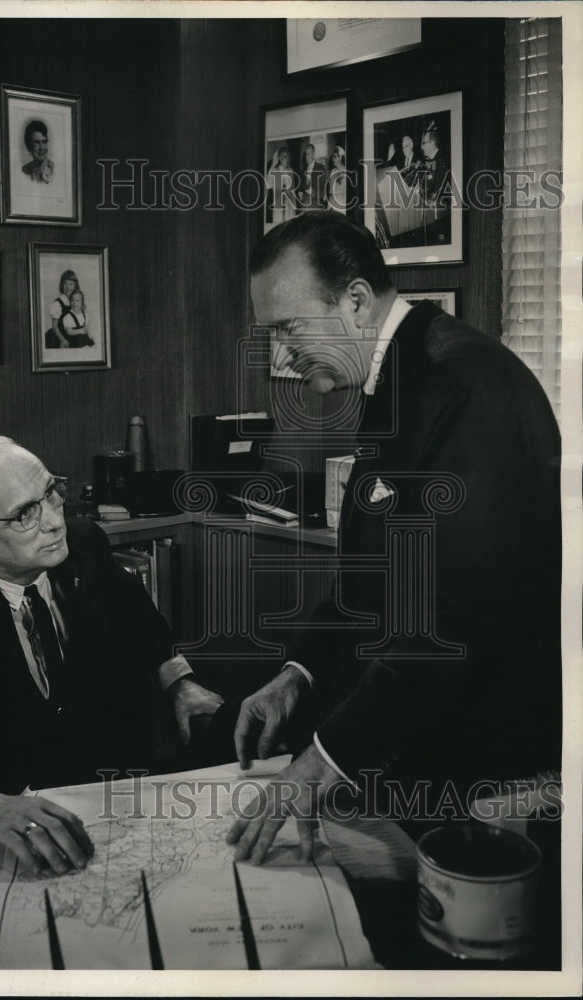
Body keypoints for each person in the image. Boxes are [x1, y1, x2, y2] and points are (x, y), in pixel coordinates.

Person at [224, 212, 561, 864]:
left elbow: (451, 621)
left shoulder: (462, 390)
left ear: (354, 301)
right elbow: (371, 577)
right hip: (424, 746)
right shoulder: (405, 377)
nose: (282, 353)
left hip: (479, 769)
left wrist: (325, 759)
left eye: (289, 328)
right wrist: (299, 672)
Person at [0, 436, 223, 872]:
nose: (53, 521)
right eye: (24, 513)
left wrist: (178, 683)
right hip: (8, 849)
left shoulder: (84, 547)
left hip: (112, 812)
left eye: (51, 492)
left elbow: (138, 622)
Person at [46, 270, 90, 349]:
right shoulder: (58, 303)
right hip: (60, 335)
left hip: (73, 334)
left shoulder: (76, 300)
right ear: (61, 285)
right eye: (65, 283)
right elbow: (54, 326)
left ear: (75, 286)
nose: (68, 287)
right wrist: (62, 340)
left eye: (71, 284)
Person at [266, 145, 298, 225]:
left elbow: (292, 191)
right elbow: (268, 185)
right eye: (285, 156)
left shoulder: (290, 171)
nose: (287, 159)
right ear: (279, 158)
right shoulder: (274, 170)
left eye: (288, 156)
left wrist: (294, 209)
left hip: (289, 208)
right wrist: (273, 165)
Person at [21, 120, 54, 184]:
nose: (41, 148)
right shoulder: (24, 171)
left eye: (44, 142)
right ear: (28, 146)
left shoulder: (55, 171)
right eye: (37, 143)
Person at [298, 143, 327, 211]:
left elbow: (323, 191)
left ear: (313, 154)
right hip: (304, 206)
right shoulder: (303, 170)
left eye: (308, 154)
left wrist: (313, 191)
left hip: (316, 206)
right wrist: (300, 193)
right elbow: (302, 188)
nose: (306, 157)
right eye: (306, 154)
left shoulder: (320, 168)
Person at [327, 145, 347, 211]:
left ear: (340, 157)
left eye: (335, 157)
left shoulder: (345, 171)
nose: (333, 159)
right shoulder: (333, 171)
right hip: (331, 201)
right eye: (333, 157)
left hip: (341, 201)